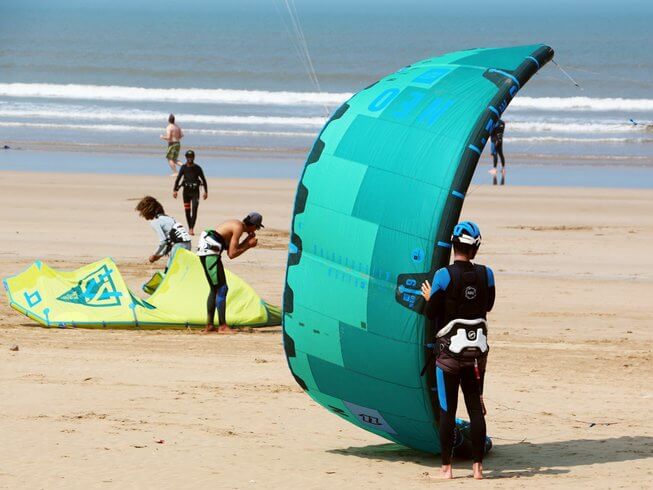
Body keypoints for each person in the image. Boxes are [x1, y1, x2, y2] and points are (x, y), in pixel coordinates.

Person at [420, 221, 495, 480]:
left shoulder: (443, 276)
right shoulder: (488, 274)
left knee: (447, 411)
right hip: (476, 356)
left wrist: (432, 299)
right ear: (475, 249)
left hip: (450, 356)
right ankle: (478, 468)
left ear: (454, 245)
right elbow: (489, 305)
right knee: (475, 408)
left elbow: (430, 315)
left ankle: (447, 469)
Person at [197, 212, 263, 334]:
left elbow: (231, 248)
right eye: (257, 227)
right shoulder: (238, 228)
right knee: (222, 288)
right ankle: (222, 326)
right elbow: (232, 254)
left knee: (214, 289)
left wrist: (247, 240)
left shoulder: (236, 224)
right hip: (210, 254)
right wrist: (248, 245)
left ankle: (210, 325)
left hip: (207, 252)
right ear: (253, 225)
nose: (256, 230)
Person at [135, 196, 192, 271]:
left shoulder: (155, 222)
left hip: (178, 246)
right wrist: (159, 256)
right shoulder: (169, 218)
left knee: (169, 271)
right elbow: (170, 241)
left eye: (142, 213)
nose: (142, 215)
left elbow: (163, 241)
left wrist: (154, 254)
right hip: (188, 244)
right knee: (179, 270)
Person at [173, 149, 208, 235]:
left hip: (195, 192)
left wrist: (206, 192)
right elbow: (178, 179)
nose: (190, 158)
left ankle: (192, 228)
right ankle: (189, 227)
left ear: (194, 157)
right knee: (187, 211)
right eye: (188, 157)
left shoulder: (197, 168)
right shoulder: (183, 168)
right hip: (186, 192)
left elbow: (203, 179)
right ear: (186, 157)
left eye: (191, 157)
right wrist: (175, 190)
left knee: (195, 210)